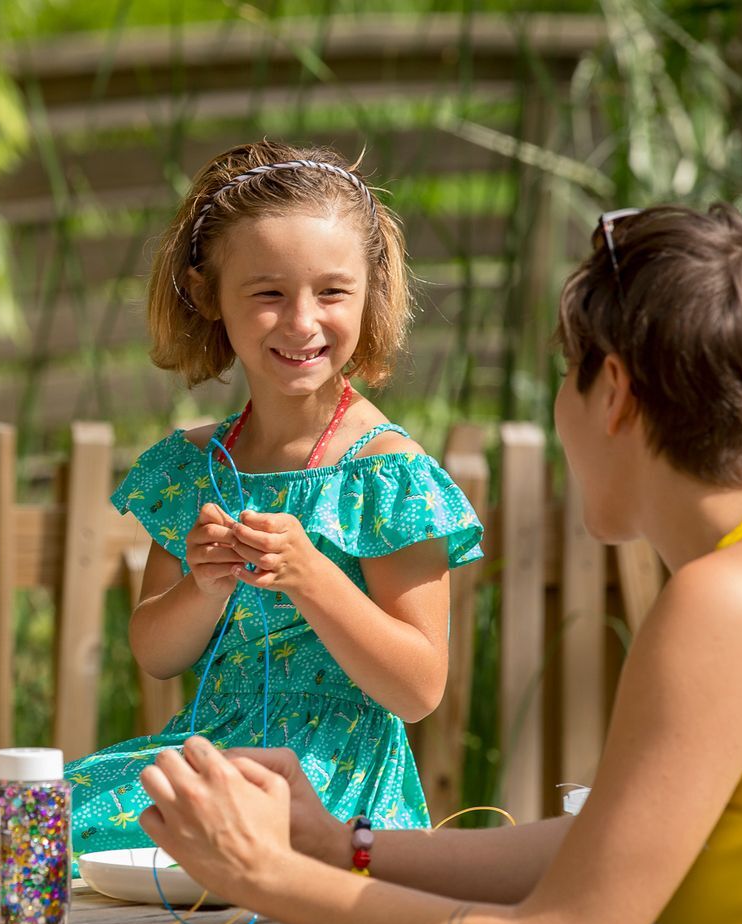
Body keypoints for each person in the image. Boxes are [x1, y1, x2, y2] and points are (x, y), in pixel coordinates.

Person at [140, 204, 742, 924]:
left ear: (610, 391)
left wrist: (272, 874)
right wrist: (342, 847)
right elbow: (601, 848)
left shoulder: (725, 608)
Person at [68, 141, 484, 858]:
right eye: (268, 294)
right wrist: (202, 588)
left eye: (331, 292)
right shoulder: (194, 466)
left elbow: (418, 689)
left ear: (370, 294)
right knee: (51, 818)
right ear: (209, 298)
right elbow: (156, 654)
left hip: (336, 785)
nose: (301, 321)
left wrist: (312, 575)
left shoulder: (385, 474)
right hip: (212, 760)